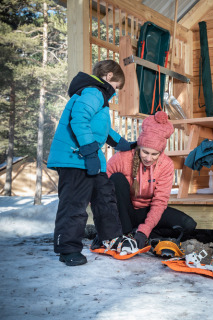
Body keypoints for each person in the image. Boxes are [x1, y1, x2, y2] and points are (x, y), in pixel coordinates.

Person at [48, 60, 138, 266]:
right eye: (116, 86)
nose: (115, 92)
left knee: (105, 197)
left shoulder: (98, 97)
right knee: (74, 204)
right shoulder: (93, 92)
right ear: (108, 77)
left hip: (89, 158)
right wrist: (89, 153)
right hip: (74, 158)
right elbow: (78, 120)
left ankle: (110, 238)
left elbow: (103, 130)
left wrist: (124, 144)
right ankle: (67, 248)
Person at [106, 111, 197, 249]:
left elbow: (160, 203)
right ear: (139, 147)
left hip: (146, 213)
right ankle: (126, 234)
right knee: (116, 179)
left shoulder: (165, 165)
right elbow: (100, 187)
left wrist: (144, 231)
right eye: (145, 152)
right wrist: (105, 224)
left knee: (189, 225)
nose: (149, 158)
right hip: (124, 212)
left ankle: (144, 235)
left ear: (161, 152)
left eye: (154, 154)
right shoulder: (123, 157)